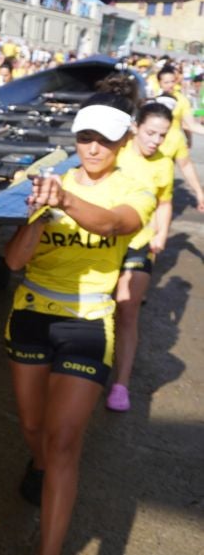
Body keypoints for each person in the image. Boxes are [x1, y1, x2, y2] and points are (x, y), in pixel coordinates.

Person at [3, 92, 155, 555]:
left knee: (65, 442)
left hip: (88, 323)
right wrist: (38, 213)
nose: (92, 148)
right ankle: (40, 465)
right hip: (31, 315)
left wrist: (65, 201)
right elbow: (13, 261)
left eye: (104, 140)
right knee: (34, 428)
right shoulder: (50, 182)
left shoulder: (136, 190)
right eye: (85, 137)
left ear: (123, 141)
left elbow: (112, 225)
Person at [107, 102, 175, 412]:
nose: (155, 141)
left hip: (139, 244)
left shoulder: (164, 164)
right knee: (101, 308)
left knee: (128, 309)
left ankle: (121, 384)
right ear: (136, 127)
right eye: (150, 133)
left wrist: (161, 233)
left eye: (162, 135)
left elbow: (164, 202)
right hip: (104, 241)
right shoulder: (116, 152)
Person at [154, 65, 204, 211]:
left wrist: (189, 139)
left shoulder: (182, 100)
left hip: (173, 144)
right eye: (166, 82)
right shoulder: (153, 98)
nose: (170, 85)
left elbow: (189, 125)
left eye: (172, 81)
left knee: (170, 177)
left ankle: (199, 194)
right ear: (159, 83)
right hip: (153, 143)